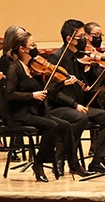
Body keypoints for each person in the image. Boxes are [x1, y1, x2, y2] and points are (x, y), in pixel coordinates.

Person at [3, 28, 83, 181]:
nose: (35, 48)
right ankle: (38, 163)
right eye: (32, 45)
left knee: (65, 125)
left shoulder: (33, 68)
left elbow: (47, 92)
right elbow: (9, 94)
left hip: (35, 111)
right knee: (51, 126)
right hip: (20, 114)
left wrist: (62, 83)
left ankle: (73, 164)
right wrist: (32, 95)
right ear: (22, 49)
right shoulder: (15, 68)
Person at [47, 19, 105, 174]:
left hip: (78, 106)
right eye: (81, 36)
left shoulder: (80, 57)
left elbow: (86, 86)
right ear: (69, 39)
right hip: (58, 107)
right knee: (80, 118)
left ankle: (97, 161)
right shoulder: (56, 58)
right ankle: (63, 157)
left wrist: (90, 73)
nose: (85, 40)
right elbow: (53, 92)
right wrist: (74, 104)